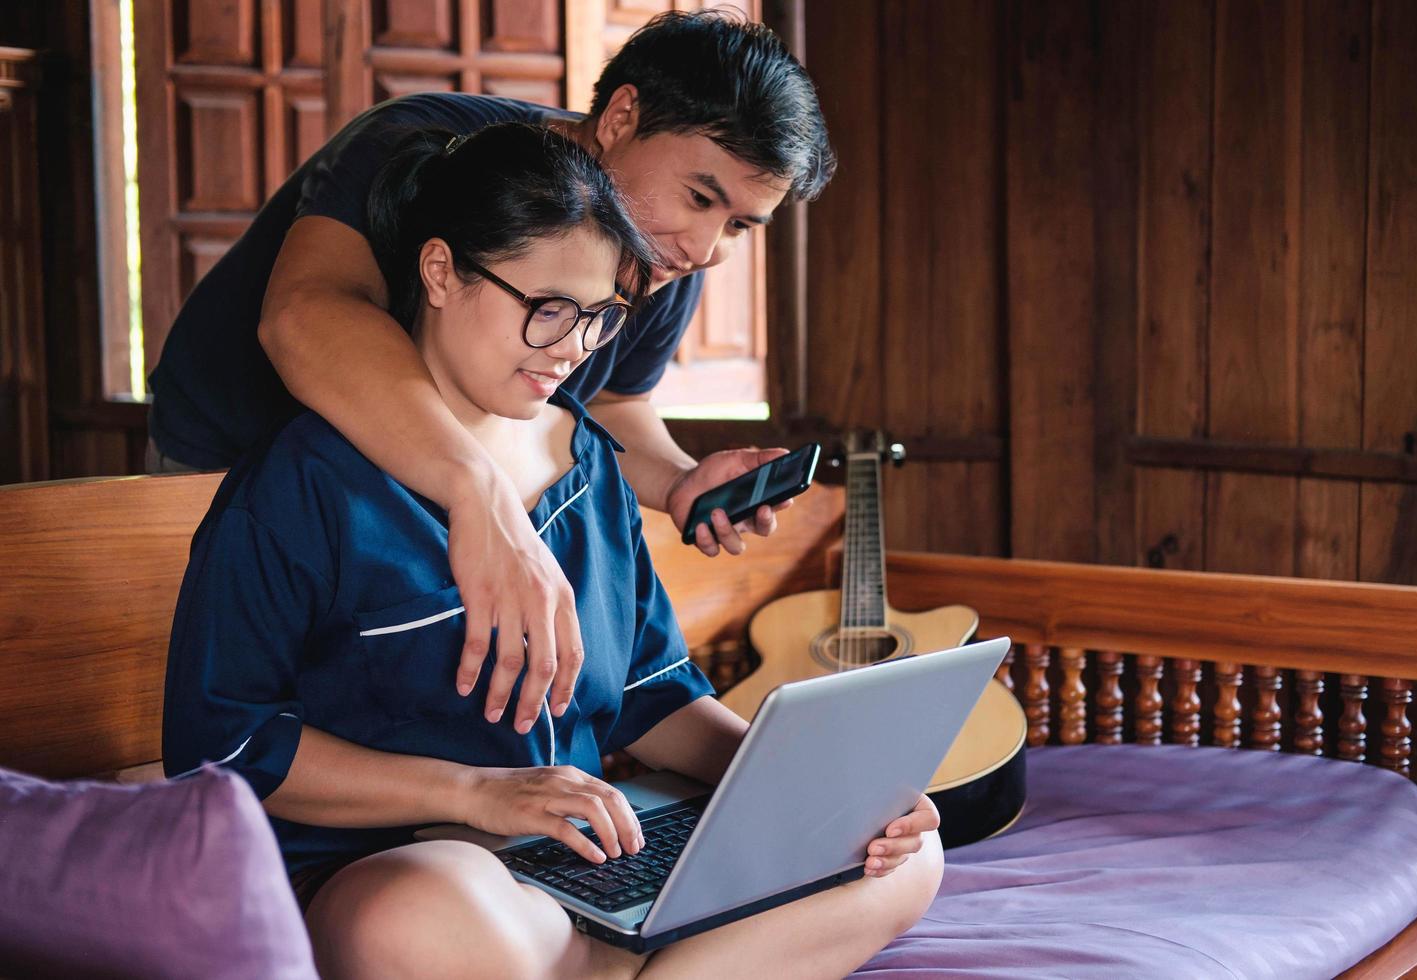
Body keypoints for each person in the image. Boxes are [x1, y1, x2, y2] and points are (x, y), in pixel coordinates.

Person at [162, 123, 939, 980]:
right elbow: (224, 746)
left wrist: (811, 788)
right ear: (441, 273)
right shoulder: (303, 483)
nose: (572, 348)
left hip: (580, 862)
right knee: (414, 918)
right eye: (548, 310)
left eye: (600, 318)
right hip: (413, 868)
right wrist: (473, 795)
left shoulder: (591, 465)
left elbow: (652, 696)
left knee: (903, 861)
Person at [145, 11, 836, 737]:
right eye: (700, 196)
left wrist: (675, 482)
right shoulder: (417, 146)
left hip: (430, 490)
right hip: (232, 453)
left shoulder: (664, 258)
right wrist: (480, 493)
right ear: (623, 115)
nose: (703, 246)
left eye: (738, 226)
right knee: (230, 704)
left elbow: (615, 401)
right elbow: (307, 318)